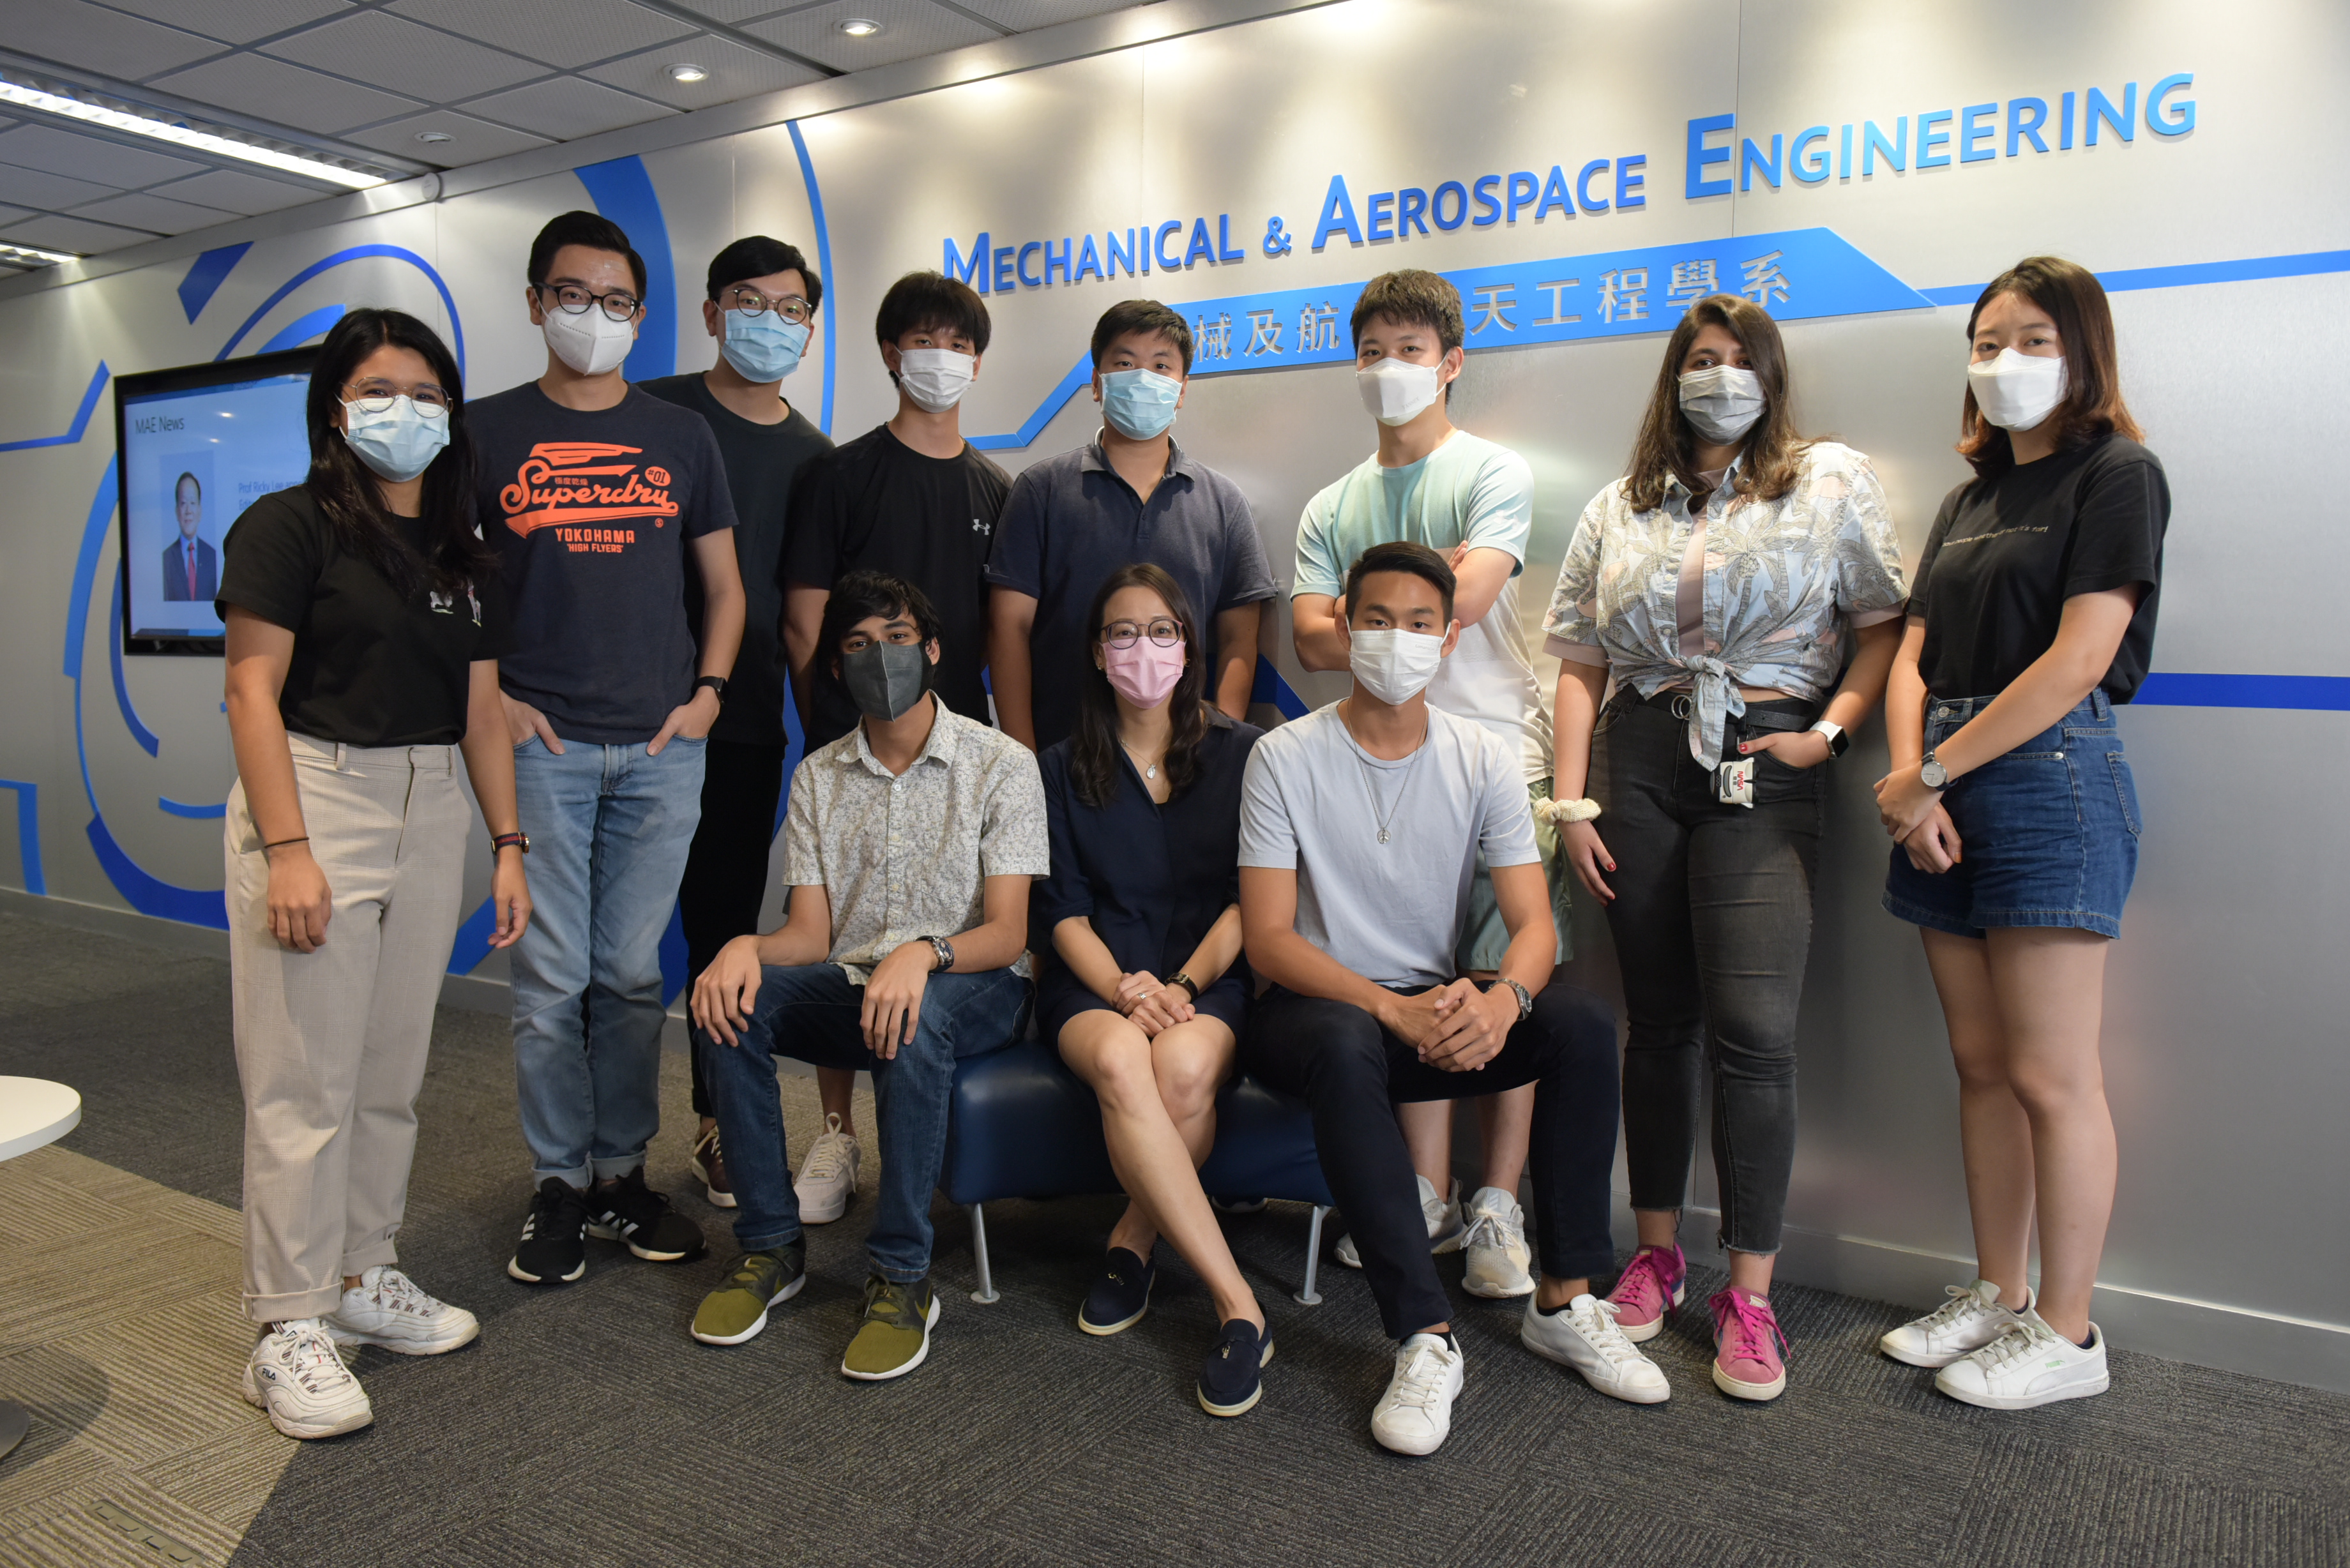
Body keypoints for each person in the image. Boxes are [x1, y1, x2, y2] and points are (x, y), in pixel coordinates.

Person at [1543, 293, 1908, 1402]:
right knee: (1657, 1025)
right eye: (1702, 358)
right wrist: (1572, 804)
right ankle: (1656, 1253)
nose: (1721, 376)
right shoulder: (1620, 502)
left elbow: (1882, 626)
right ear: (1675, 376)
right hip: (1640, 760)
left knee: (1754, 1033)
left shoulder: (1828, 479)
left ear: (1771, 375)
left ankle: (1749, 1293)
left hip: (1767, 750)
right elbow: (1578, 658)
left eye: (1741, 359)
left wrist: (1829, 735)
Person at [1238, 541, 1656, 1457]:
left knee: (1580, 1022)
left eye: (1419, 623)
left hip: (1429, 1010)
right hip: (1314, 1014)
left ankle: (1564, 1299)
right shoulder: (1282, 755)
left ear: (1450, 637)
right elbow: (1268, 938)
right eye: (1377, 620)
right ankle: (1424, 1337)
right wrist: (1388, 1008)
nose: (1397, 639)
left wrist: (1504, 1001)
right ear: (1345, 627)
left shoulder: (1482, 756)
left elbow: (1532, 924)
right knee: (1345, 1038)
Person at [218, 308, 531, 1439]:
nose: (408, 411)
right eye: (380, 391)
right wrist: (288, 848)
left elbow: (483, 710)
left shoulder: (461, 546)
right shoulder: (287, 525)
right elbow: (250, 691)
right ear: (337, 409)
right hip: (319, 794)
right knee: (304, 1081)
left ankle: (361, 1272)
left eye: (428, 394)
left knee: (390, 1071)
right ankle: (286, 1321)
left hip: (431, 800)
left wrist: (507, 845)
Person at [1874, 257, 2166, 1410]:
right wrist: (1913, 783)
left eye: (2035, 340)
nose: (2006, 361)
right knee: (1983, 1066)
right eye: (1988, 342)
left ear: (2083, 353)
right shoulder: (1969, 498)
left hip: (2048, 776)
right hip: (1940, 785)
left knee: (2053, 1075)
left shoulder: (2120, 473)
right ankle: (2000, 1292)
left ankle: (2069, 1330)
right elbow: (1914, 652)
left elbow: (2083, 657)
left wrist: (1933, 772)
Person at [471, 209, 747, 1288]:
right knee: (550, 981)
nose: (595, 315)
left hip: (662, 748)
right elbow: (451, 590)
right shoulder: (483, 432)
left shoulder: (681, 435)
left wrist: (708, 697)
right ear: (536, 302)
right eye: (574, 295)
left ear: (641, 313)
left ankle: (622, 1175)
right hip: (543, 744)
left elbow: (724, 588)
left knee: (631, 977)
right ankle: (559, 1182)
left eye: (617, 300)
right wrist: (497, 702)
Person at [687, 571, 1046, 1381]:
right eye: (857, 644)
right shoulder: (818, 775)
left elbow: (1008, 932)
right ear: (835, 664)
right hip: (857, 983)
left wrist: (923, 953)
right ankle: (769, 1246)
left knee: (915, 1013)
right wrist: (743, 948)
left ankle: (901, 1272)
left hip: (978, 980)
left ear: (933, 649)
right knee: (730, 1002)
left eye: (896, 638)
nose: (879, 657)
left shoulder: (1001, 763)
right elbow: (811, 936)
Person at [1288, 269, 1563, 1300]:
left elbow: (1468, 600)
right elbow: (1310, 639)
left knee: (1499, 984)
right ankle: (1424, 1191)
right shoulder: (1331, 503)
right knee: (1413, 973)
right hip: (1379, 763)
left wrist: (1369, 609)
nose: (1389, 368)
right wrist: (1398, 603)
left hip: (1494, 757)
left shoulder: (1494, 470)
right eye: (1372, 351)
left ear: (1451, 362)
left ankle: (1497, 1202)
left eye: (1410, 350)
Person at [778, 269, 1013, 1217]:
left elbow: (1002, 633)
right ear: (889, 353)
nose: (941, 359)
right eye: (923, 341)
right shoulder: (839, 475)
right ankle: (837, 1134)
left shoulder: (996, 489)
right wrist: (845, 729)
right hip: (851, 749)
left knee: (938, 943)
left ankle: (925, 1136)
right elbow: (804, 620)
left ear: (978, 362)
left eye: (958, 345)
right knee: (844, 938)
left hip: (955, 758)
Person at [1035, 564, 1270, 1415]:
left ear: (1188, 645)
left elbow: (1252, 900)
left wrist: (1180, 984)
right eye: (1123, 632)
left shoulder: (1246, 753)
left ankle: (1132, 1238)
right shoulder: (1059, 767)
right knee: (1123, 1061)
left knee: (1181, 1067)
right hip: (1091, 984)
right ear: (1098, 654)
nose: (1144, 649)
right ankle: (1238, 1303)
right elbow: (1060, 912)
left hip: (1205, 980)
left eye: (1162, 631)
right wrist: (1125, 992)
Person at [640, 236, 837, 1212]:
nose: (771, 322)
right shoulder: (652, 414)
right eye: (749, 303)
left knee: (721, 934)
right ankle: (596, 1155)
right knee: (610, 949)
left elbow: (806, 615)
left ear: (810, 328)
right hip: (627, 723)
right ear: (714, 313)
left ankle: (714, 1125)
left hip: (747, 723)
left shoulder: (817, 460)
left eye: (791, 308)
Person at [986, 299, 1276, 752]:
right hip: (1065, 758)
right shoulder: (1041, 491)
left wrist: (1220, 746)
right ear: (1097, 383)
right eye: (1125, 363)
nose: (1144, 378)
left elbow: (1239, 638)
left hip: (1185, 762)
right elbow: (1009, 629)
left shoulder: (1223, 503)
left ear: (1182, 389)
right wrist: (1023, 760)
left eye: (1161, 366)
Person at [162, 471, 218, 600]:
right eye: (183, 503)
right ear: (177, 511)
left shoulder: (213, 557)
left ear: (200, 511)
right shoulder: (166, 560)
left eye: (192, 503)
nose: (188, 511)